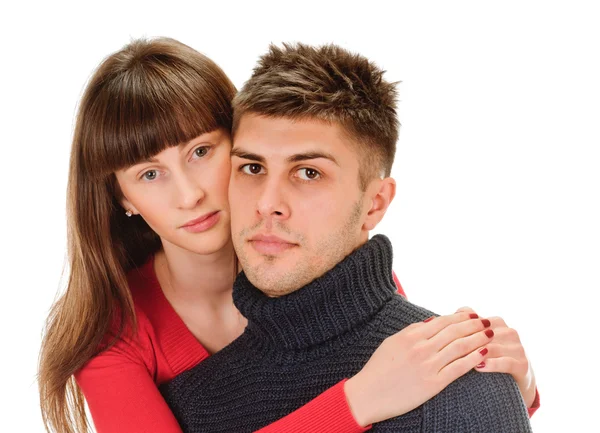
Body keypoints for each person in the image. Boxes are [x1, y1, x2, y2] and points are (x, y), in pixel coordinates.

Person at [37, 38, 537, 433]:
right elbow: (385, 386)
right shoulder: (109, 330)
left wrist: (515, 387)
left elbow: (415, 381)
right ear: (121, 197)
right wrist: (357, 402)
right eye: (149, 174)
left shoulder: (311, 253)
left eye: (201, 153)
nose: (188, 195)